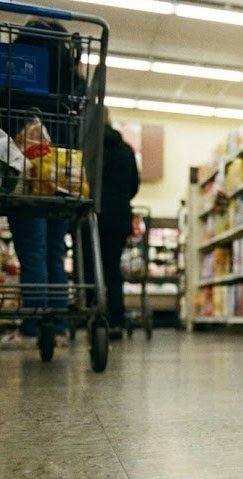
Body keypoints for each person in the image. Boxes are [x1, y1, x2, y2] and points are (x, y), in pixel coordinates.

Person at [1, 19, 84, 349]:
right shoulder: (71, 81)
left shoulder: (15, 74)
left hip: (27, 173)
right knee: (53, 252)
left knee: (33, 251)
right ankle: (60, 326)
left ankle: (34, 328)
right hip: (63, 175)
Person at [83, 109, 139, 339]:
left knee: (90, 268)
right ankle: (116, 321)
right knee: (113, 270)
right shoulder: (126, 149)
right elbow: (134, 184)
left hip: (91, 215)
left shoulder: (88, 148)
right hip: (118, 216)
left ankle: (94, 318)